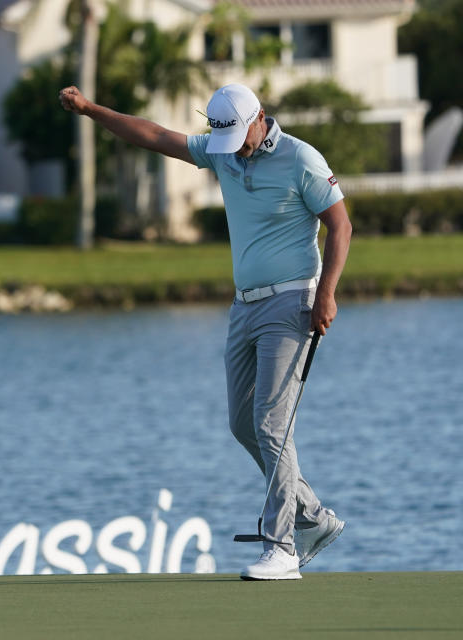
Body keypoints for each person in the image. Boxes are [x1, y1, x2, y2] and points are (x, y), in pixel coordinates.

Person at [59, 82, 352, 580]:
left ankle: (282, 546)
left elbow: (340, 226)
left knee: (271, 424)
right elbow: (152, 134)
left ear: (259, 118)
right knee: (243, 423)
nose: (234, 148)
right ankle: (313, 516)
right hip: (244, 308)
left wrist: (327, 292)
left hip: (293, 303)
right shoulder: (224, 155)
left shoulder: (301, 158)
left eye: (240, 136)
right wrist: (89, 110)